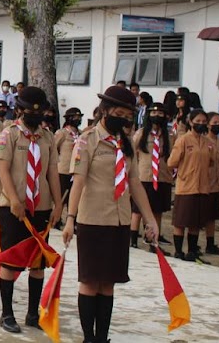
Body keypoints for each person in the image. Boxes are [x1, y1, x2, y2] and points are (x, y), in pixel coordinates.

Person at [62, 86, 159, 343]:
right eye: (118, 113)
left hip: (119, 221)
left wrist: (149, 220)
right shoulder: (88, 139)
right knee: (91, 281)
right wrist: (70, 219)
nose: (123, 119)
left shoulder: (125, 143)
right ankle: (88, 337)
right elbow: (78, 182)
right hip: (93, 220)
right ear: (105, 111)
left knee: (109, 283)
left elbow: (135, 183)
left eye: (128, 115)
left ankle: (102, 337)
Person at [0, 86, 62, 333]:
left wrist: (58, 204)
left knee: (37, 262)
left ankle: (33, 314)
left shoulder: (47, 137)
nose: (35, 115)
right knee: (11, 260)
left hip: (41, 207)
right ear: (19, 110)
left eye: (40, 111)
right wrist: (14, 199)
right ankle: (7, 313)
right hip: (13, 207)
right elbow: (3, 169)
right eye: (29, 111)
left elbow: (52, 171)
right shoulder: (9, 134)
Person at [168, 108, 215, 262]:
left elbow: (211, 162)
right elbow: (172, 162)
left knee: (195, 222)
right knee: (181, 220)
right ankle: (178, 250)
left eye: (204, 122)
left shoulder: (207, 142)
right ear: (190, 122)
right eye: (198, 121)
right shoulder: (183, 140)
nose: (201, 124)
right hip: (186, 186)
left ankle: (192, 251)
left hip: (202, 187)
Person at [130, 103, 173, 252]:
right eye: (154, 113)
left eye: (161, 114)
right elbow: (131, 151)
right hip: (144, 177)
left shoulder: (168, 136)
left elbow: (171, 155)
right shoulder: (141, 133)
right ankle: (133, 240)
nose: (157, 116)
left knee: (157, 211)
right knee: (138, 210)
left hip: (161, 178)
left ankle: (154, 242)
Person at [54, 107, 83, 223]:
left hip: (76, 170)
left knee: (74, 196)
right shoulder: (62, 133)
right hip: (64, 170)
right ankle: (57, 218)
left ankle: (73, 219)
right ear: (70, 118)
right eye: (76, 117)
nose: (78, 119)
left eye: (79, 117)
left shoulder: (81, 134)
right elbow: (54, 148)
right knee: (61, 196)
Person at [204, 112, 219, 255]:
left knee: (212, 216)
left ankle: (210, 244)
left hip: (218, 183)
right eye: (214, 123)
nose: (217, 125)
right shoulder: (204, 141)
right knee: (202, 216)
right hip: (205, 183)